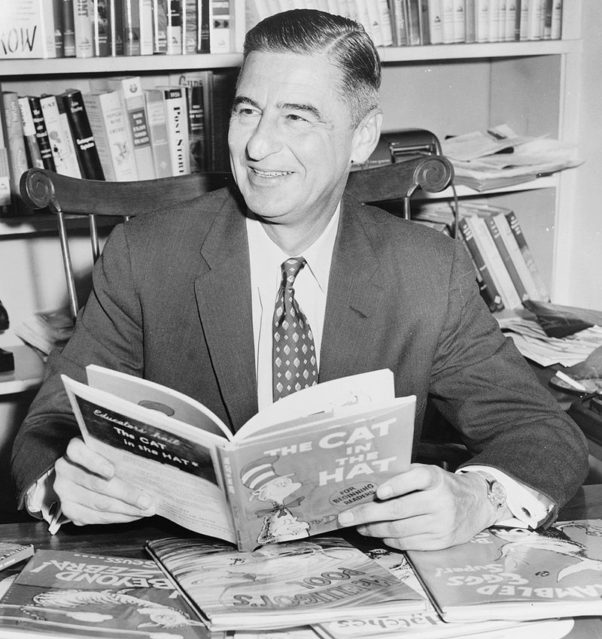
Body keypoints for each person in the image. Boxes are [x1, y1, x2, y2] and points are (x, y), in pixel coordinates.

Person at [11, 9, 588, 551]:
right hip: (185, 557)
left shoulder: (427, 270)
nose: (258, 146)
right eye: (246, 111)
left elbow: (541, 432)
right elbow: (46, 428)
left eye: (296, 116)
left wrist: (476, 498)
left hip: (368, 567)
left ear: (362, 137)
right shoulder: (145, 255)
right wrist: (64, 485)